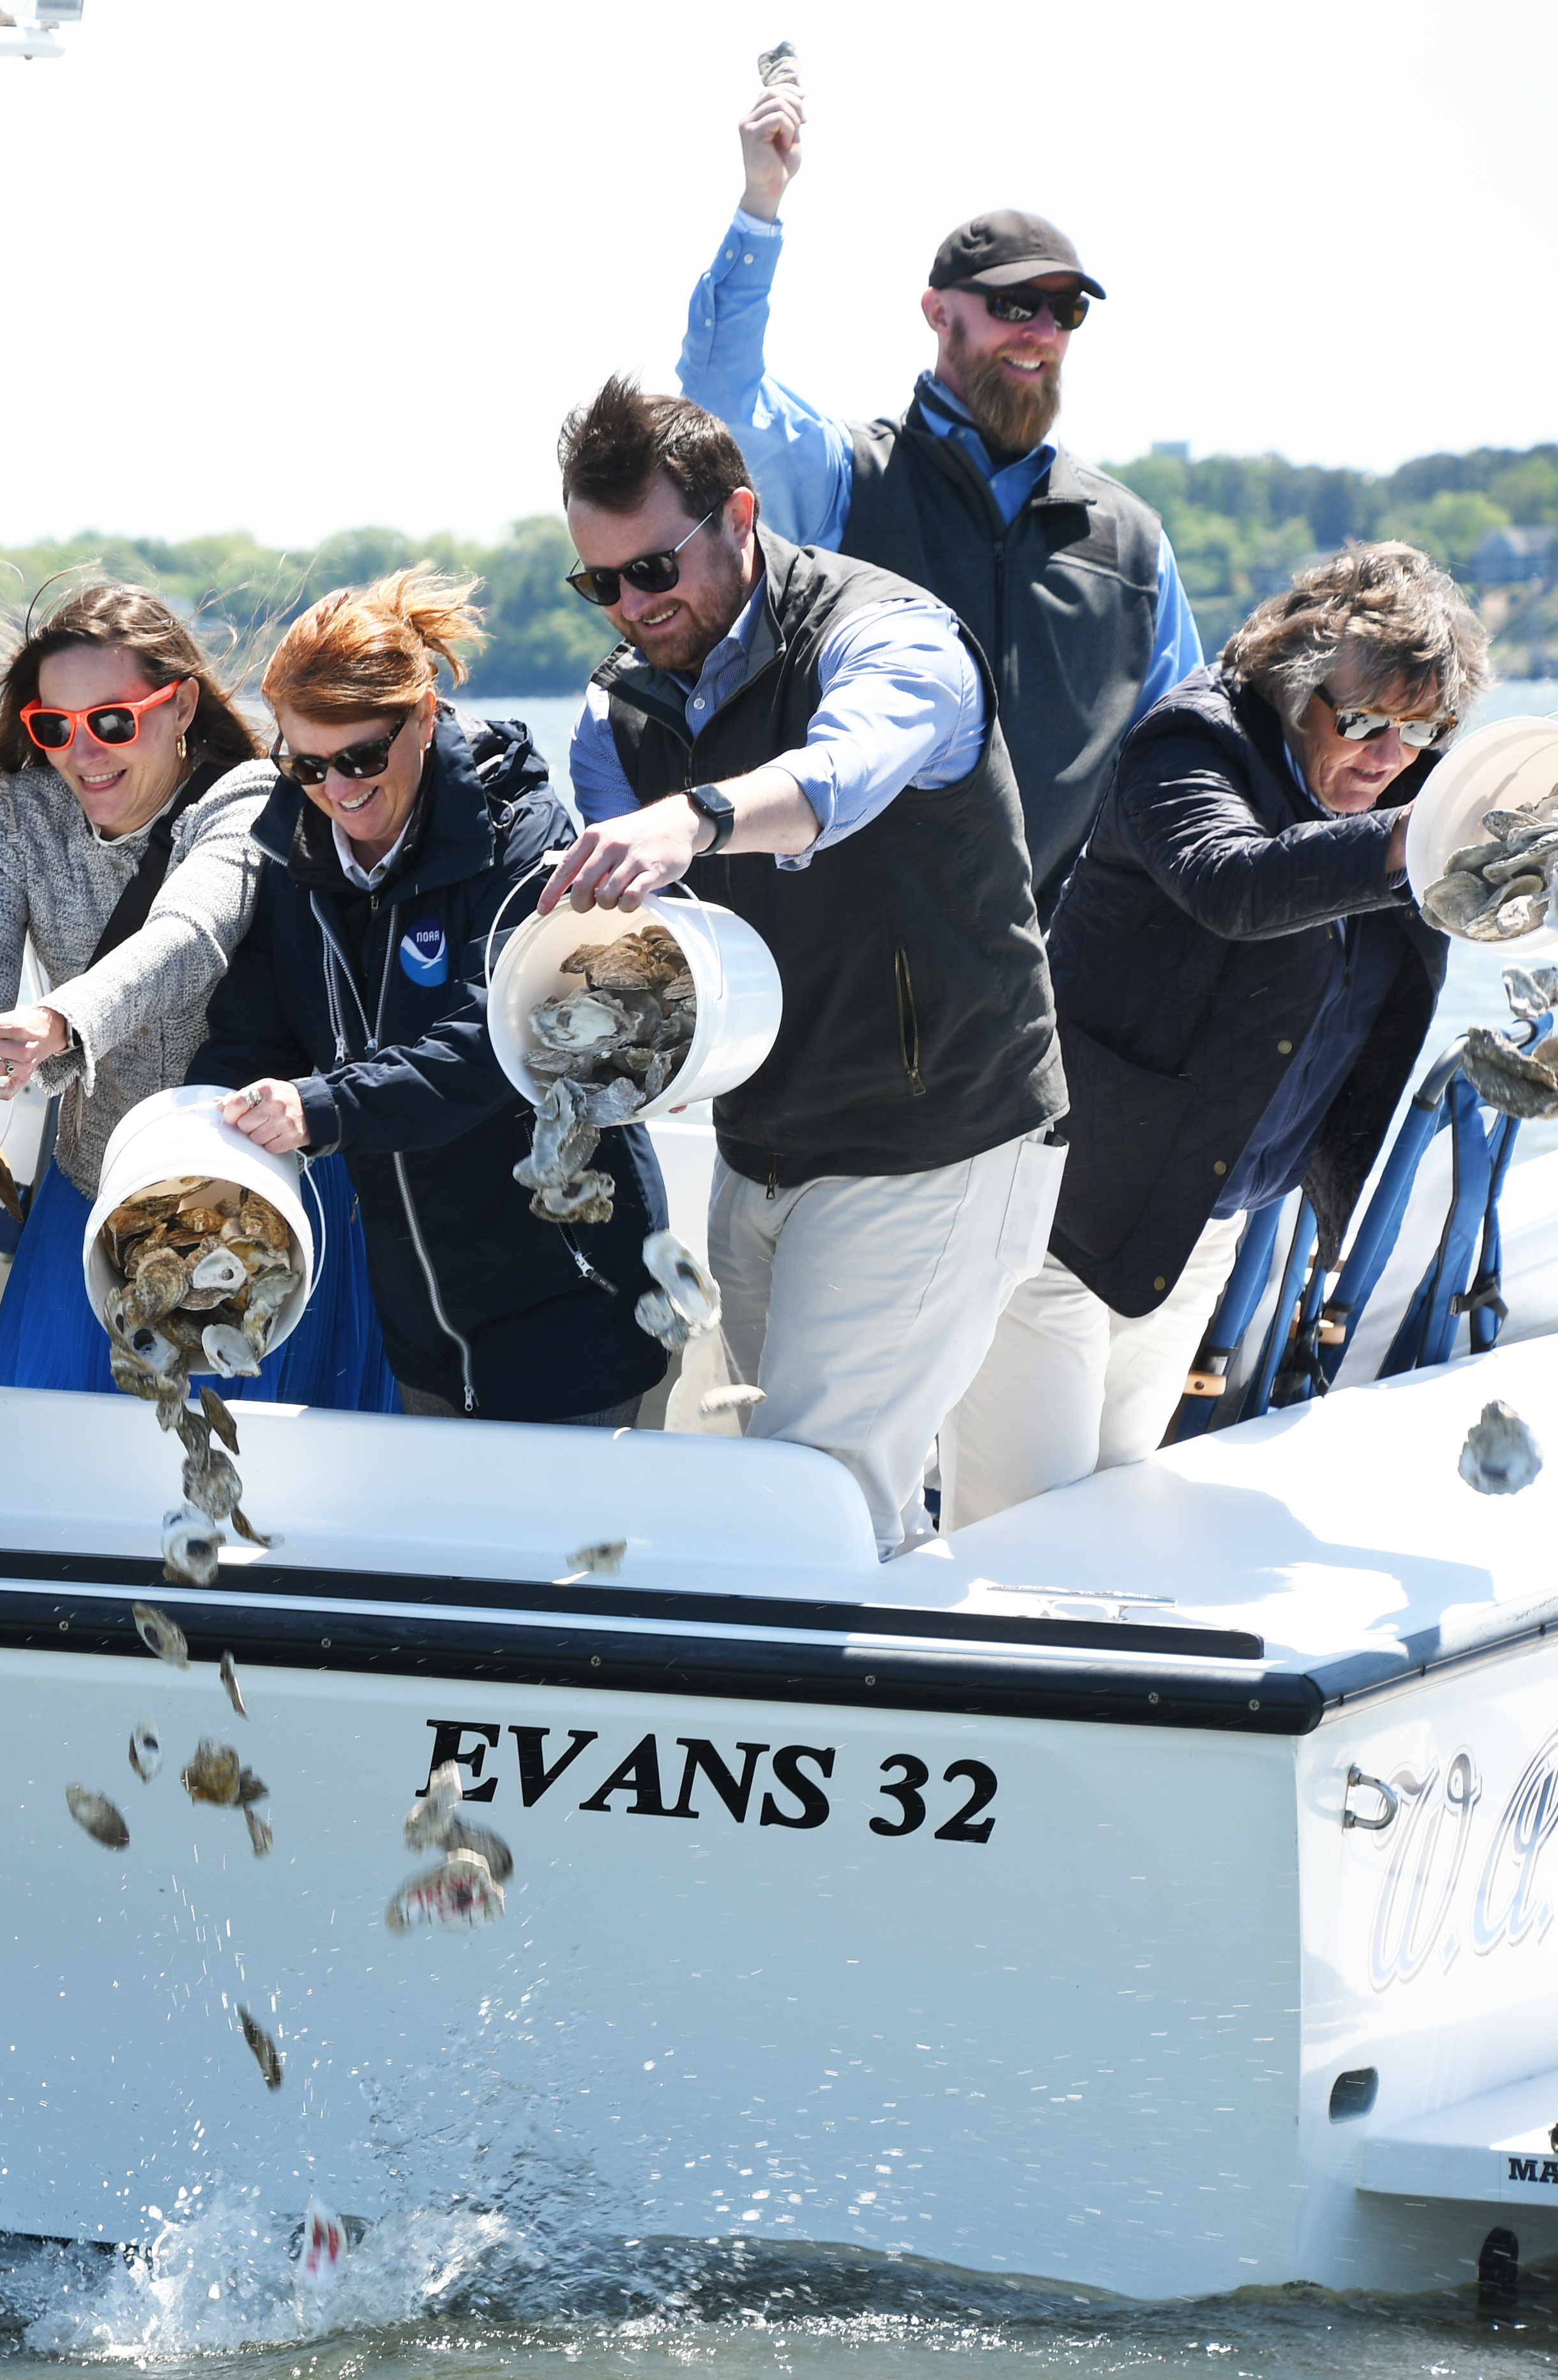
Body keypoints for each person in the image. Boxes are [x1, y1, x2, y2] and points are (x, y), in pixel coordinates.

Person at [549, 376, 1063, 1550]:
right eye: (600, 581)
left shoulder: (891, 637)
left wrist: (693, 818)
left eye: (652, 568)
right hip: (762, 1151)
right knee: (794, 1492)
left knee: (816, 1498)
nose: (630, 604)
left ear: (737, 517)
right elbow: (649, 958)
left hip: (936, 1139)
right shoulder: (610, 712)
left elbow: (841, 772)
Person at [937, 546, 1492, 1528]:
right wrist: (1420, 839)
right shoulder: (1189, 743)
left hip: (1201, 1218)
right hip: (1058, 1215)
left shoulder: (1406, 774)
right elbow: (1232, 882)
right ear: (1294, 682)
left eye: (1422, 732)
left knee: (1111, 1508)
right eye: (1363, 721)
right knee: (1014, 1532)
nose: (1390, 756)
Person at [679, 73, 1200, 910]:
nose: (1039, 332)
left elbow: (1181, 756)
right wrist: (760, 206)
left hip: (1058, 978)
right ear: (936, 311)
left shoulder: (1132, 539)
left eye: (1065, 312)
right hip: (861, 958)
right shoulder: (848, 478)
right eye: (1013, 303)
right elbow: (717, 394)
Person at [192, 573, 657, 1425]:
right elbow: (247, 1039)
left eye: (363, 756)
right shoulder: (294, 856)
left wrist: (320, 1110)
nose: (337, 789)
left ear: (426, 715)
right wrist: (195, 1154)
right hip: (423, 1332)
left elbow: (499, 1044)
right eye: (306, 764)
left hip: (573, 1306)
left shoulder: (526, 840)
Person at [0, 582, 383, 1402]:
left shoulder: (247, 800)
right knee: (47, 1424)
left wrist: (58, 1019)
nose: (84, 752)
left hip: (263, 1186)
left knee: (264, 1471)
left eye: (112, 720)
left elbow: (189, 934)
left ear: (181, 709)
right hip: (95, 1179)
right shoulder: (15, 818)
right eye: (54, 728)